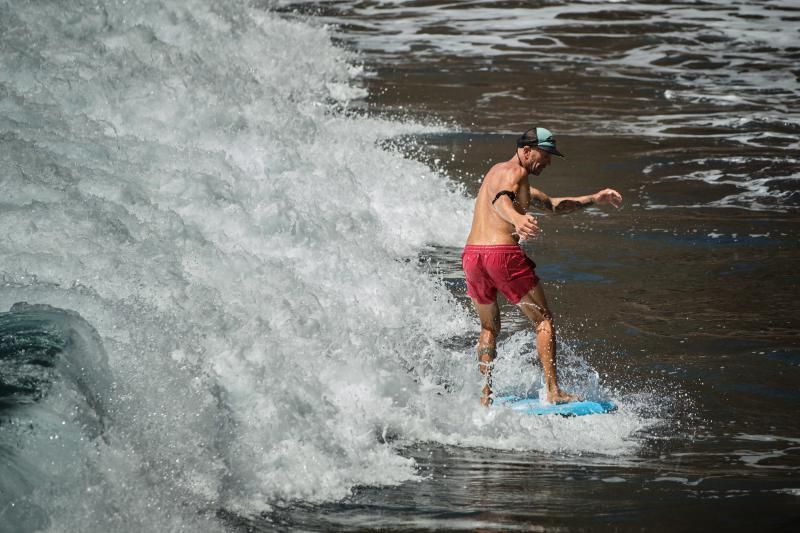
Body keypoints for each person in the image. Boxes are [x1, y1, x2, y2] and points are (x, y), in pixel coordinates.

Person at [462, 127, 622, 406]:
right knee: (543, 320)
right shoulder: (516, 173)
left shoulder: (500, 174)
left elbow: (555, 206)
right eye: (544, 155)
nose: (547, 162)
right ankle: (553, 391)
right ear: (526, 150)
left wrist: (596, 199)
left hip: (473, 257)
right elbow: (501, 200)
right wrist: (516, 219)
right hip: (502, 256)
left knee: (488, 327)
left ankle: (484, 396)